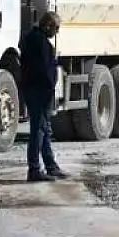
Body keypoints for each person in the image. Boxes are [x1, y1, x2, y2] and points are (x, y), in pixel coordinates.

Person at [19, 12, 69, 183]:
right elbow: (44, 71)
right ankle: (34, 170)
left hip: (34, 90)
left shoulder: (33, 39)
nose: (57, 32)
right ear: (47, 25)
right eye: (56, 28)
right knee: (38, 131)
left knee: (45, 129)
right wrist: (49, 89)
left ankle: (50, 166)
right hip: (39, 92)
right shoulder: (40, 43)